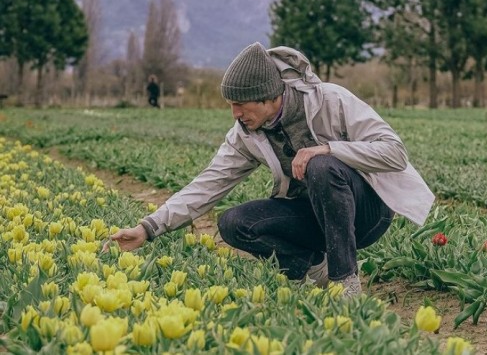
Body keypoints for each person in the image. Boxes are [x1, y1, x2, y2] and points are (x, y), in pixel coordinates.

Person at [105, 42, 435, 297]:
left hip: (366, 212)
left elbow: (395, 153)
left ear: (268, 97)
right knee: (235, 223)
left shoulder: (332, 101)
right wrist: (147, 229)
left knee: (321, 165)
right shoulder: (246, 135)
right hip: (314, 216)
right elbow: (207, 184)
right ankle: (314, 269)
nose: (235, 113)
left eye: (240, 104)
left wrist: (328, 148)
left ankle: (345, 282)